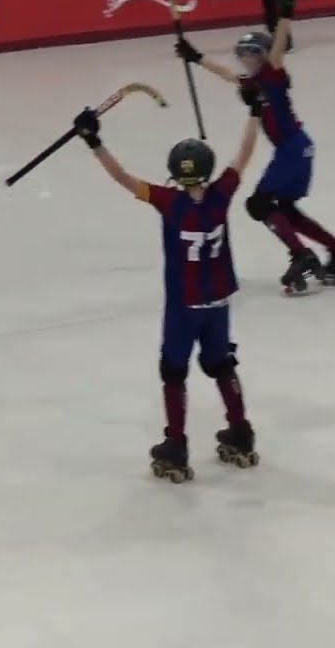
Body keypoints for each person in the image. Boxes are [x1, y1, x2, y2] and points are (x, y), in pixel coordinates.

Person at [72, 86, 264, 483]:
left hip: (184, 306)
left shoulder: (167, 201)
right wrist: (256, 111)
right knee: (221, 364)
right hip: (218, 302)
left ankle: (175, 444)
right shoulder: (220, 195)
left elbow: (123, 178)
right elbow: (243, 156)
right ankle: (241, 430)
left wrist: (94, 140)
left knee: (173, 371)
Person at [175, 0, 335, 293]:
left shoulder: (272, 74)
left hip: (292, 148)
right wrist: (195, 56)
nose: (245, 60)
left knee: (259, 204)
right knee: (285, 211)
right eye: (242, 55)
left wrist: (285, 17)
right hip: (297, 148)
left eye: (250, 54)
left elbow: (277, 51)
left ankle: (301, 254)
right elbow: (226, 75)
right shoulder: (251, 83)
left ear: (260, 55)